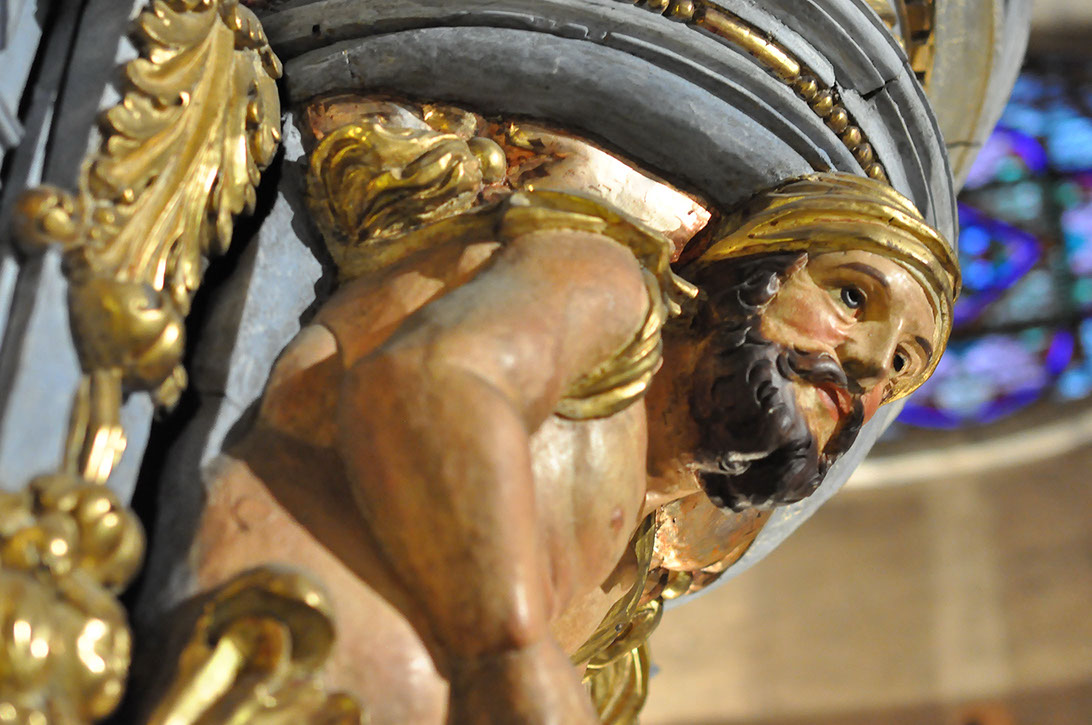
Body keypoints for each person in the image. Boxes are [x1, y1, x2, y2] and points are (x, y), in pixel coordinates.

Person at [171, 100, 958, 724]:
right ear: (754, 269)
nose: (868, 362)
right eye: (851, 296)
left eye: (902, 364)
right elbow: (427, 383)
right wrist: (511, 655)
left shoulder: (639, 576)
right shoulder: (607, 286)